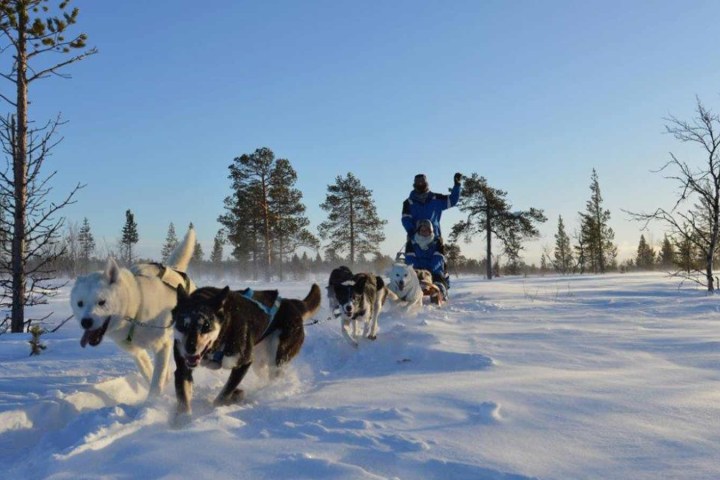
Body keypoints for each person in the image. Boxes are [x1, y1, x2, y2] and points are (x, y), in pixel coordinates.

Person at [401, 172, 462, 242]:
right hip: (415, 240)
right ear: (414, 184)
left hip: (435, 239)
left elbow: (452, 200)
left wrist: (457, 185)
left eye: (422, 182)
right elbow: (405, 219)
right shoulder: (408, 203)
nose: (420, 184)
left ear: (426, 183)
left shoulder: (436, 198)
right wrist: (411, 231)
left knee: (438, 253)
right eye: (418, 182)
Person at [404, 219, 448, 299]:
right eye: (422, 230)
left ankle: (438, 294)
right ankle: (406, 295)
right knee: (407, 282)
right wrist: (419, 271)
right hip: (417, 272)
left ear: (430, 231)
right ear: (418, 231)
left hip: (434, 271)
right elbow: (410, 259)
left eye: (426, 230)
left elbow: (438, 259)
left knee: (439, 282)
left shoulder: (437, 242)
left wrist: (429, 270)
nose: (424, 232)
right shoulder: (411, 243)